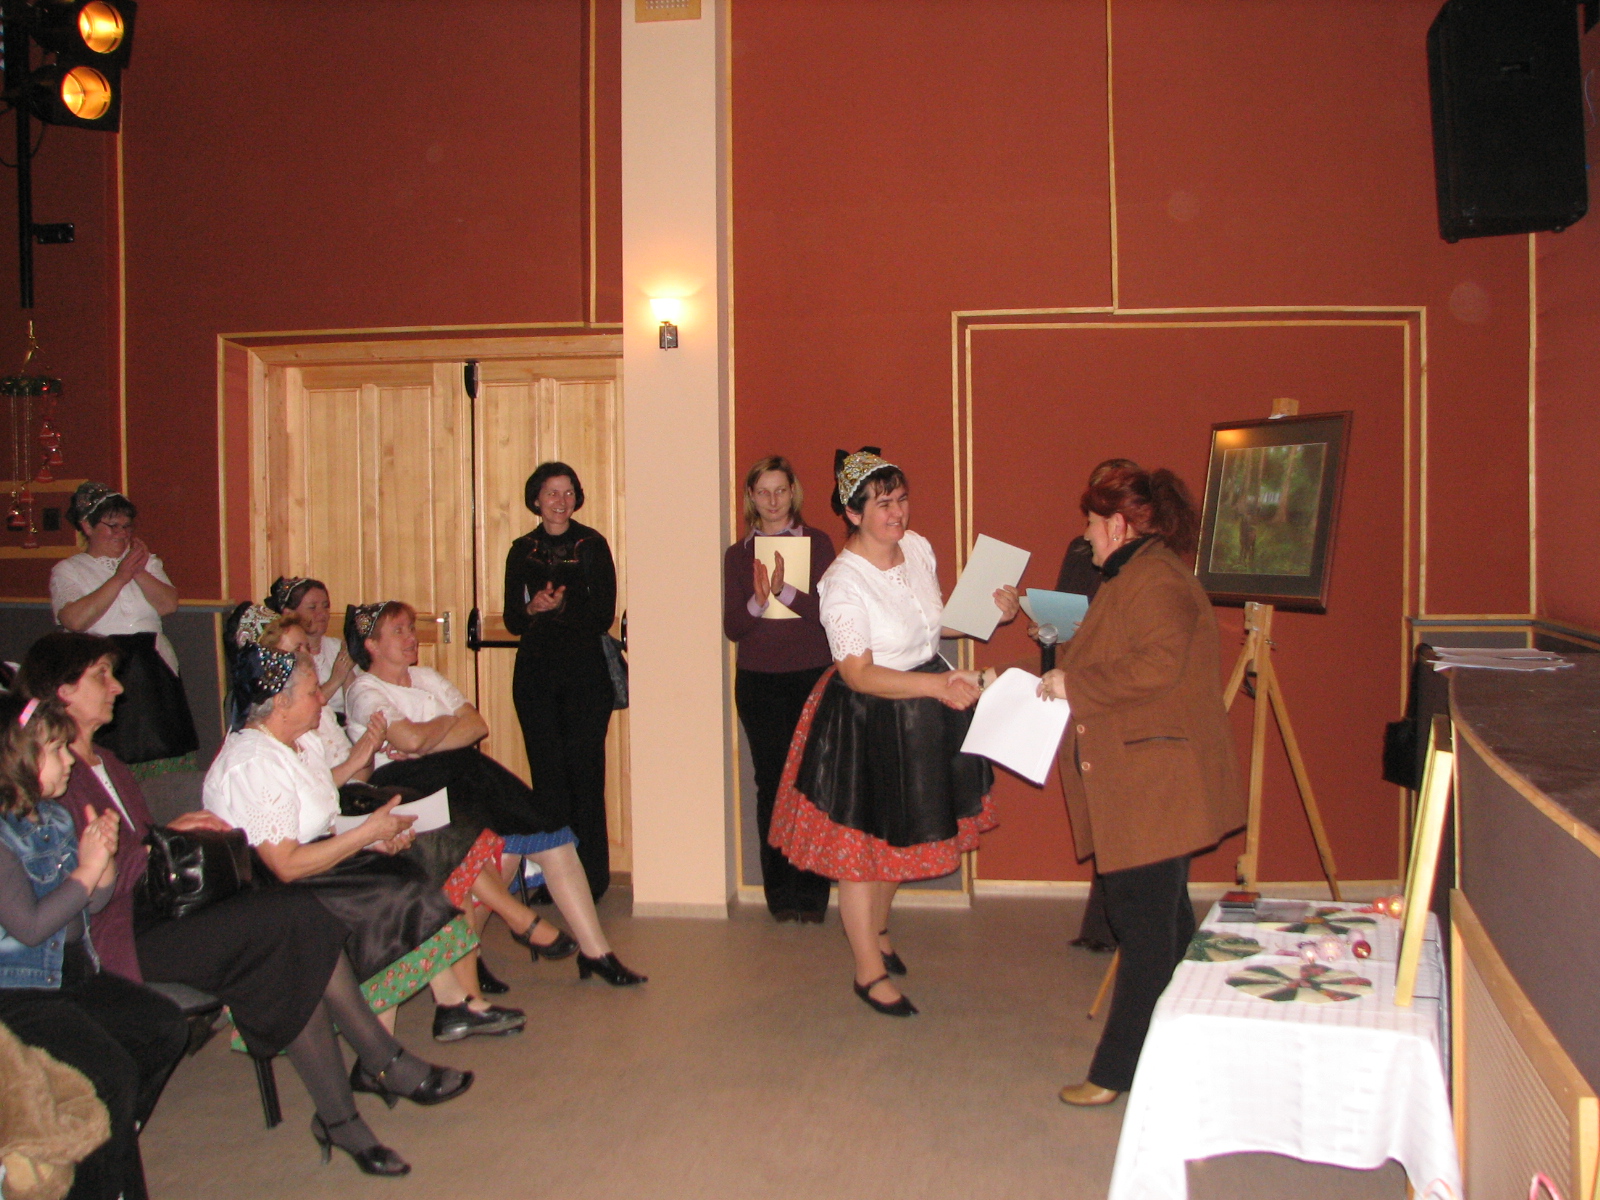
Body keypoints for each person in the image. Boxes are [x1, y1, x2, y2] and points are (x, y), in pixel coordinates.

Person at [20, 633, 474, 1176]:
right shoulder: (53, 777)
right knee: (293, 918)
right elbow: (84, 886)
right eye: (101, 676)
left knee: (292, 934)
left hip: (172, 906)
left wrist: (161, 836)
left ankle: (346, 1110)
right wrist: (154, 841)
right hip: (126, 931)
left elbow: (143, 850)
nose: (118, 687)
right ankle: (378, 1066)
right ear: (63, 691)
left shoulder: (110, 763)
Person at [768, 449, 1018, 1016]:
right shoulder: (841, 583)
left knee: (895, 839)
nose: (897, 513)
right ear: (853, 513)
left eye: (901, 499)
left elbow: (931, 623)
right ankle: (867, 971)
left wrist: (991, 614)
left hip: (923, 704)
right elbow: (858, 672)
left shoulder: (919, 548)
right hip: (868, 715)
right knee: (863, 850)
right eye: (883, 504)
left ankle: (877, 934)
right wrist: (939, 686)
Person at [1037, 463, 1245, 1107]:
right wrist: (1028, 676)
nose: (1086, 536)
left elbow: (1155, 665)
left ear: (1120, 525)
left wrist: (1074, 684)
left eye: (1092, 523)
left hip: (1155, 784)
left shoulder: (1154, 580)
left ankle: (1116, 1072)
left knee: (1144, 930)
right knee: (1167, 922)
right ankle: (1185, 1046)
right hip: (1148, 779)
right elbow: (1103, 656)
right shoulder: (1138, 574)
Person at [250, 605, 581, 1000]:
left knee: (459, 827)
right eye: (296, 652)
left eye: (307, 648)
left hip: (354, 798)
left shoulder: (311, 721)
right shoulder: (269, 742)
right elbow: (401, 746)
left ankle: (469, 992)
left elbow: (472, 727)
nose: (307, 656)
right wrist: (441, 725)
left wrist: (367, 753)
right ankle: (505, 938)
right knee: (446, 835)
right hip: (342, 816)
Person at [206, 641, 529, 1040]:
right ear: (280, 704)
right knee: (397, 893)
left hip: (307, 865)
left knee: (414, 868)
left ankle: (448, 1006)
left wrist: (370, 838)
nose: (322, 700)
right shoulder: (253, 762)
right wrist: (365, 834)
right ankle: (382, 1043)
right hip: (271, 889)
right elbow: (285, 864)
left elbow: (317, 816)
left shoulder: (290, 744)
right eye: (312, 692)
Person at [345, 601, 645, 986]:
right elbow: (410, 739)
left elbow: (475, 726)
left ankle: (596, 952)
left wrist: (427, 738)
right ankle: (469, 956)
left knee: (550, 836)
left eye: (410, 628)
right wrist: (444, 725)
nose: (411, 638)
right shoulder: (365, 689)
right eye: (398, 631)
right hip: (407, 786)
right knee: (499, 849)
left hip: (463, 772)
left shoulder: (426, 677)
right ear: (371, 645)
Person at [0, 692, 188, 1200]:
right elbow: (31, 927)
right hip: (20, 993)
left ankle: (106, 1142)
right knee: (112, 1076)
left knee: (165, 1029)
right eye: (56, 750)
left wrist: (101, 867)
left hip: (75, 974)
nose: (69, 760)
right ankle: (105, 1163)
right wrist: (87, 871)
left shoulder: (55, 817)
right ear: (17, 761)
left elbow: (91, 904)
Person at [723, 456, 836, 923]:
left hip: (812, 677)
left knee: (812, 785)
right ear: (751, 497)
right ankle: (781, 894)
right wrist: (758, 600)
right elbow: (733, 627)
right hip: (759, 682)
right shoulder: (738, 554)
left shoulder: (818, 543)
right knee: (771, 784)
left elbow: (830, 615)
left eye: (780, 491)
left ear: (794, 493)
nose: (772, 501)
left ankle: (812, 895)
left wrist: (784, 590)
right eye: (763, 492)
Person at [1037, 458, 1140, 956]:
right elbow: (1064, 617)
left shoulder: (1147, 565)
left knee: (1128, 811)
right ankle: (1105, 923)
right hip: (1078, 681)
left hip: (1117, 689)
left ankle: (1124, 923)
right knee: (1100, 806)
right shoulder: (1080, 550)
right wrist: (1046, 628)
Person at [502, 462, 618, 900]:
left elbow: (603, 614)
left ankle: (592, 879)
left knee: (586, 777)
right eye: (552, 492)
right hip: (536, 677)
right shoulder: (521, 550)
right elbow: (513, 619)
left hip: (585, 676)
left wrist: (560, 608)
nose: (560, 501)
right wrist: (533, 609)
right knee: (547, 781)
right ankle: (553, 880)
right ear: (536, 498)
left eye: (568, 492)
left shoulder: (593, 545)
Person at [49, 483, 197, 773]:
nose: (122, 534)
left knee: (165, 741)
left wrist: (138, 571)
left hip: (153, 665)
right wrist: (120, 577)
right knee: (114, 750)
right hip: (104, 667)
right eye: (112, 526)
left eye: (127, 526)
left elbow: (168, 605)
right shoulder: (69, 570)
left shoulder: (146, 562)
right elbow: (74, 621)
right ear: (87, 526)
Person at [266, 576, 355, 714]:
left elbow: (355, 704)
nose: (322, 613)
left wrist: (347, 673)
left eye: (326, 606)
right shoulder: (283, 655)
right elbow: (296, 710)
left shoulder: (339, 648)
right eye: (312, 608)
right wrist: (336, 679)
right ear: (289, 614)